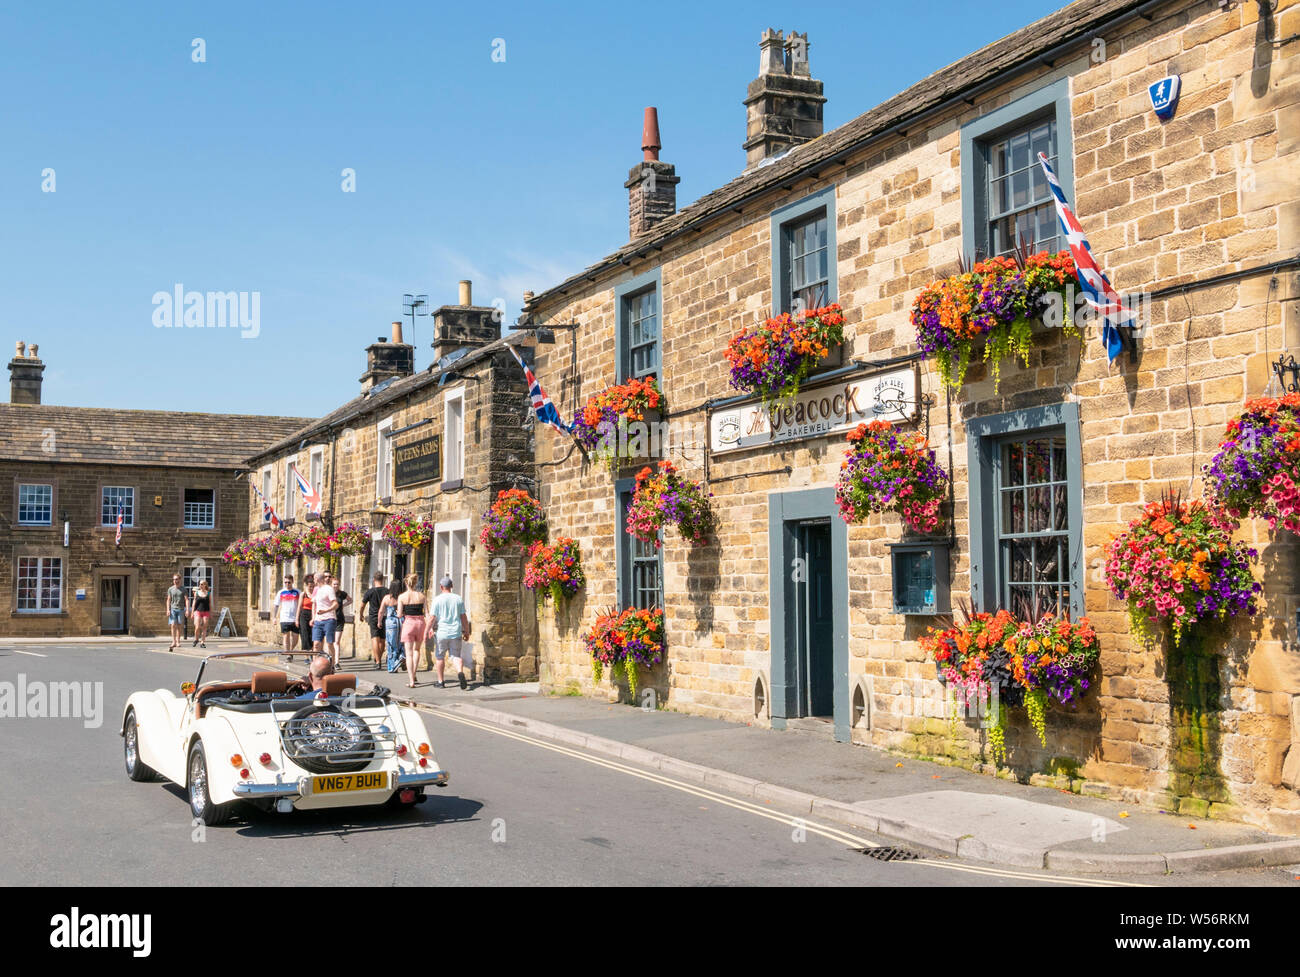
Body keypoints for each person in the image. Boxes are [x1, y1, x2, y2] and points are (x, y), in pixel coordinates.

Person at [429, 575, 472, 690]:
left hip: (442, 633)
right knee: (456, 656)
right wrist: (466, 631)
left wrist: (428, 629)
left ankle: (440, 681)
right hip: (456, 632)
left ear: (441, 587)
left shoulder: (437, 599)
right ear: (451, 586)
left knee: (440, 657)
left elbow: (432, 617)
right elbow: (463, 617)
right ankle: (460, 672)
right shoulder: (458, 599)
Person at [396, 573, 428, 688]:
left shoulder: (402, 597)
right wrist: (429, 628)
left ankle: (411, 681)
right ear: (415, 583)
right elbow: (427, 614)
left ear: (406, 583)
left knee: (408, 654)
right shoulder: (422, 596)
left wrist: (401, 612)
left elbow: (399, 615)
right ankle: (414, 674)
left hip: (409, 623)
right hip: (420, 623)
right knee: (417, 650)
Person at [360, 573, 388, 667]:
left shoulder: (370, 591)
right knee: (382, 639)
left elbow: (362, 605)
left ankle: (378, 661)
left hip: (373, 617)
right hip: (384, 616)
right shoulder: (387, 591)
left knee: (375, 638)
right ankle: (378, 658)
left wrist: (361, 614)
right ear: (383, 579)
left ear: (374, 579)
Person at [311, 572, 339, 661]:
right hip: (318, 621)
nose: (313, 581)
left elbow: (335, 604)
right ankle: (315, 666)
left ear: (317, 579)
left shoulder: (328, 589)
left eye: (314, 579)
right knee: (316, 644)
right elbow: (314, 604)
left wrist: (325, 611)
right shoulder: (317, 590)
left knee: (329, 643)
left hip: (329, 620)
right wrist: (313, 618)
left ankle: (332, 664)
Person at [273, 574, 301, 654]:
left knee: (296, 637)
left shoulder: (298, 592)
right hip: (284, 618)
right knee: (286, 637)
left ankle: (290, 650)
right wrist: (274, 617)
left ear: (292, 582)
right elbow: (276, 605)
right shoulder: (281, 592)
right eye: (285, 582)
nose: (287, 584)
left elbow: (301, 605)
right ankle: (288, 654)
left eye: (289, 582)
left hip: (295, 618)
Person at [382, 579, 404, 674]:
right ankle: (402, 656)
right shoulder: (402, 597)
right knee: (401, 642)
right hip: (401, 621)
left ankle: (392, 666)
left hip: (391, 622)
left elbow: (381, 611)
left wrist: (379, 622)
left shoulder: (387, 598)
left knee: (391, 644)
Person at [332, 573, 352, 666]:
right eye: (334, 584)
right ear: (331, 585)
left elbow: (350, 600)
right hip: (330, 619)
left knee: (337, 642)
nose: (336, 585)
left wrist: (343, 605)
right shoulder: (328, 593)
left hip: (339, 619)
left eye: (337, 584)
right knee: (330, 642)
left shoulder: (341, 593)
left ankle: (337, 662)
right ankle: (330, 660)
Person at [190, 579, 213, 649]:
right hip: (197, 611)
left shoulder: (208, 593)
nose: (201, 585)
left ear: (205, 585)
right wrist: (192, 612)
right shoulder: (197, 593)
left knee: (204, 627)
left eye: (202, 584)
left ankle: (202, 642)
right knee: (197, 627)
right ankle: (196, 639)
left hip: (206, 611)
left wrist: (211, 612)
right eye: (200, 584)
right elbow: (194, 603)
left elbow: (210, 604)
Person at [166, 574, 185, 651]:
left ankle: (178, 641)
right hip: (173, 609)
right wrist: (168, 609)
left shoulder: (183, 589)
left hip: (180, 609)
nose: (175, 581)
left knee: (179, 625)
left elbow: (187, 600)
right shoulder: (170, 589)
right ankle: (173, 641)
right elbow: (168, 600)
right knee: (173, 625)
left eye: (176, 579)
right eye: (174, 579)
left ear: (180, 580)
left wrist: (187, 609)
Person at [297, 573, 315, 653]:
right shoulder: (303, 594)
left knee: (312, 634)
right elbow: (299, 607)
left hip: (313, 614)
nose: (311, 588)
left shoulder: (316, 594)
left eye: (313, 586)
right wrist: (296, 619)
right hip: (304, 614)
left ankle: (312, 651)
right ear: (307, 586)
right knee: (304, 634)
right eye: (310, 586)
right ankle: (306, 654)